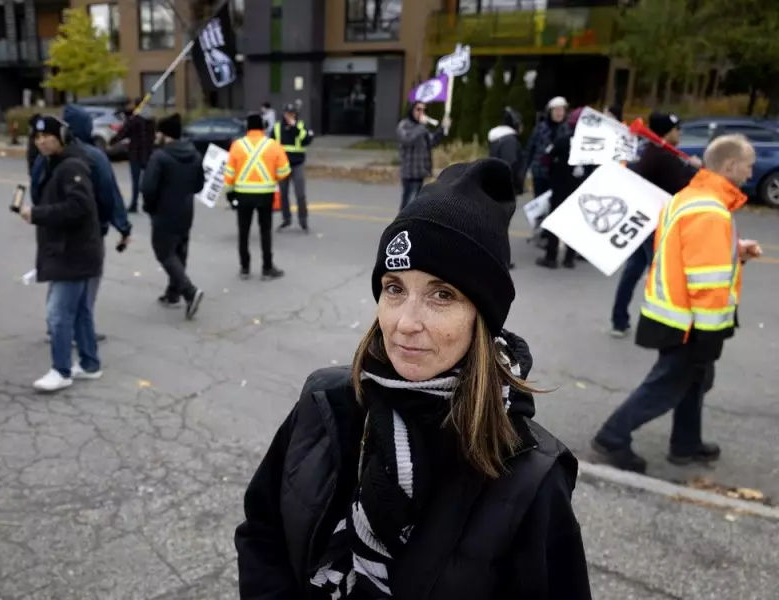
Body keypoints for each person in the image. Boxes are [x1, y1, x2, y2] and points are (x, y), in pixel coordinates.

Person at [235, 158, 591, 600]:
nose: (405, 323)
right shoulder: (326, 405)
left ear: (482, 317)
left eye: (442, 295)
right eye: (394, 288)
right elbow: (262, 534)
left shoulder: (530, 476)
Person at [593, 134, 761, 474]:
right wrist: (710, 335)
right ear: (729, 165)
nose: (751, 171)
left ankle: (685, 444)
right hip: (690, 322)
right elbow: (707, 280)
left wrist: (736, 255)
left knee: (693, 381)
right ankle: (613, 435)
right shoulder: (711, 210)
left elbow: (689, 257)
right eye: (748, 164)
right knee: (667, 385)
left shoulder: (691, 199)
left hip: (675, 314)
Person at [31, 104, 133, 344]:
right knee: (86, 279)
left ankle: (54, 325)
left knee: (60, 277)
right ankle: (78, 332)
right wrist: (122, 226)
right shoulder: (93, 156)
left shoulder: (45, 157)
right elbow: (109, 194)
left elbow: (36, 191)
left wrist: (45, 214)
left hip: (53, 228)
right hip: (88, 230)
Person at [20, 115, 104, 392]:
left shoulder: (71, 166)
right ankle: (90, 364)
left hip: (73, 253)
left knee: (58, 314)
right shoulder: (55, 164)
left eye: (48, 136)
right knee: (80, 312)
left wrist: (37, 214)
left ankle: (61, 370)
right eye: (38, 137)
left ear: (62, 137)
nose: (42, 141)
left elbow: (78, 207)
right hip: (72, 250)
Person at [609, 111, 702, 337]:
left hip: (646, 221)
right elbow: (681, 189)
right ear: (666, 132)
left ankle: (619, 320)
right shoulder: (663, 156)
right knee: (660, 274)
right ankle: (661, 324)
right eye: (676, 129)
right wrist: (694, 169)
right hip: (656, 224)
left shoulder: (654, 152)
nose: (679, 133)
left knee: (634, 270)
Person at [141, 113, 206, 320]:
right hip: (186, 211)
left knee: (165, 253)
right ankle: (173, 294)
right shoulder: (194, 154)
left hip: (164, 212)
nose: (156, 136)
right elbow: (199, 185)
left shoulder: (159, 157)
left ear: (165, 134)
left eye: (158, 132)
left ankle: (189, 291)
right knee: (179, 252)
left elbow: (148, 188)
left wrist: (149, 207)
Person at [224, 112, 291, 281]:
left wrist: (230, 193)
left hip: (243, 195)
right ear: (263, 127)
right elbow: (284, 172)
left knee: (243, 232)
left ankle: (245, 268)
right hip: (265, 195)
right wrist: (271, 177)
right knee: (265, 232)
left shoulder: (237, 146)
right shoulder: (273, 145)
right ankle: (267, 268)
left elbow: (229, 174)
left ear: (247, 127)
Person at [536, 107, 588, 269]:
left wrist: (553, 171)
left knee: (556, 220)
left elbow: (546, 158)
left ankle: (551, 257)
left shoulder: (563, 140)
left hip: (561, 186)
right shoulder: (591, 145)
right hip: (580, 187)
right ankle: (569, 258)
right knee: (574, 222)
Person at [488, 107, 525, 270]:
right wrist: (518, 185)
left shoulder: (498, 138)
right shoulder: (510, 140)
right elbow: (511, 166)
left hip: (494, 184)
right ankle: (500, 260)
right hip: (505, 188)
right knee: (502, 225)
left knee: (495, 223)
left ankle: (493, 256)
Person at [396, 101, 451, 210]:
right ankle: (401, 223)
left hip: (420, 170)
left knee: (415, 201)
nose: (421, 113)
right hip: (409, 171)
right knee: (408, 201)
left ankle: (410, 223)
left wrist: (442, 129)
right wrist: (422, 126)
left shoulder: (422, 128)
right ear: (412, 110)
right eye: (418, 109)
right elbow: (407, 139)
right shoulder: (404, 125)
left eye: (424, 110)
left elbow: (431, 141)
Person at [272, 103, 314, 232]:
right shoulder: (277, 127)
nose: (289, 116)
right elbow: (272, 145)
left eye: (292, 114)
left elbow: (306, 140)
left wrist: (294, 127)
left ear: (295, 114)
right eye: (287, 113)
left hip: (297, 164)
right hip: (282, 165)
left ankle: (303, 221)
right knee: (283, 194)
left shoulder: (300, 126)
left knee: (300, 194)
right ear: (284, 114)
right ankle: (286, 219)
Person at [109, 97, 156, 213]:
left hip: (135, 153)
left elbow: (124, 132)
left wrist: (112, 141)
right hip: (148, 153)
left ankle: (134, 204)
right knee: (148, 179)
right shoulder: (151, 120)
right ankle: (148, 203)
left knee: (135, 180)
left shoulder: (134, 120)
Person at [524, 96, 568, 198]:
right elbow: (530, 148)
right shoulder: (540, 128)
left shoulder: (567, 129)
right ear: (550, 112)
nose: (559, 113)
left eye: (561, 110)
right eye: (556, 110)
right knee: (539, 203)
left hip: (559, 174)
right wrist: (526, 171)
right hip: (540, 172)